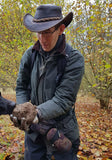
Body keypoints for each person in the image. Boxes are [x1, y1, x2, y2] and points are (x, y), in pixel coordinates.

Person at [10, 4, 84, 160]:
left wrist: (35, 113)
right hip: (34, 134)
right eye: (39, 32)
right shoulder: (30, 55)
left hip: (61, 134)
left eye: (47, 32)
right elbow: (21, 87)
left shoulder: (74, 59)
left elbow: (64, 99)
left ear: (61, 29)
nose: (42, 39)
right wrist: (23, 110)